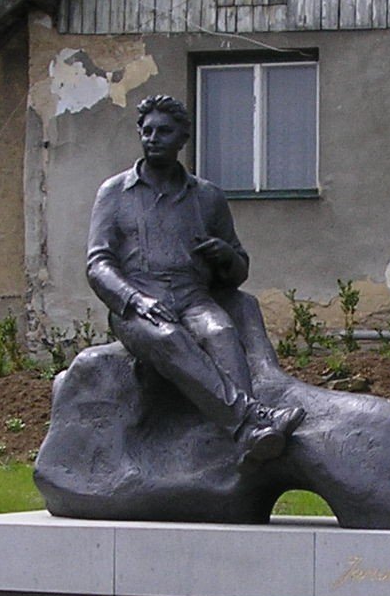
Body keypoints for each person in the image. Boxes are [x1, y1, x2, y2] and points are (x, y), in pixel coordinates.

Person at [85, 96, 304, 462]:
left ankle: (249, 432)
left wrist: (226, 256)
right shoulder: (114, 193)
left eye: (164, 132)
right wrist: (135, 300)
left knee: (220, 331)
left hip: (193, 297)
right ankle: (252, 421)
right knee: (170, 338)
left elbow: (238, 272)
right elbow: (97, 264)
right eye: (147, 131)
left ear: (182, 138)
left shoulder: (207, 197)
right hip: (139, 304)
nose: (153, 138)